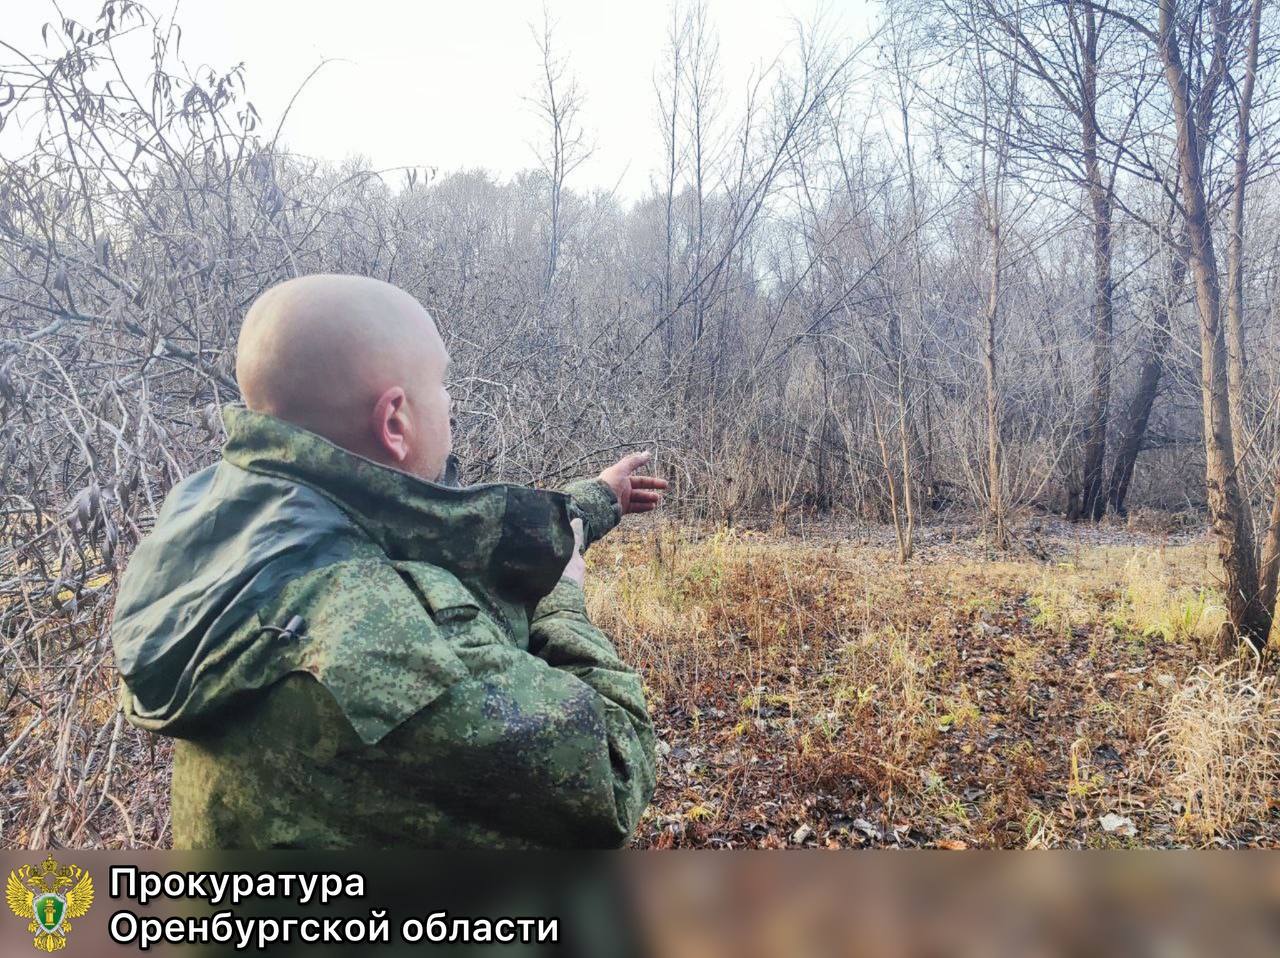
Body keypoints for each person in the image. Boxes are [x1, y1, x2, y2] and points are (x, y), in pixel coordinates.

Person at [110, 273, 665, 848]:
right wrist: (561, 598)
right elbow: (612, 776)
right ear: (395, 421)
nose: (450, 404)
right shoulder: (388, 642)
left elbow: (419, 527)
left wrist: (596, 501)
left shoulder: (221, 519)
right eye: (441, 385)